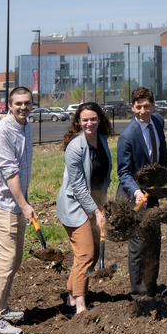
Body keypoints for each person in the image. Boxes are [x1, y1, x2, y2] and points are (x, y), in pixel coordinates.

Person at [0, 86, 36, 334]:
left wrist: (23, 203)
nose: (23, 107)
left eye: (27, 103)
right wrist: (25, 205)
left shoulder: (26, 126)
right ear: (9, 106)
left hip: (15, 203)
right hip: (0, 203)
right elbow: (10, 172)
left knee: (15, 259)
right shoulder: (0, 133)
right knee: (4, 262)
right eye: (18, 104)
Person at [56, 102, 113, 314]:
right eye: (85, 119)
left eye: (93, 119)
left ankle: (71, 296)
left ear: (99, 120)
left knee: (94, 252)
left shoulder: (103, 141)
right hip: (74, 207)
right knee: (86, 254)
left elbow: (103, 176)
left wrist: (102, 206)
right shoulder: (75, 147)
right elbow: (79, 187)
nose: (89, 123)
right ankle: (80, 305)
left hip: (94, 205)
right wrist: (95, 211)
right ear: (78, 122)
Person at [117, 87, 167, 300]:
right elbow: (124, 172)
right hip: (134, 197)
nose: (143, 111)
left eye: (146, 106)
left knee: (154, 240)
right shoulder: (127, 136)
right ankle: (138, 293)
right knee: (138, 244)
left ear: (153, 106)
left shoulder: (157, 122)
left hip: (152, 193)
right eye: (138, 107)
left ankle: (151, 287)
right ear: (132, 107)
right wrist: (137, 192)